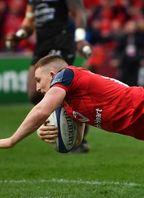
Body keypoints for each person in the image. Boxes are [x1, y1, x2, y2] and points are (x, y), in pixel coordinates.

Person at [0, 55, 144, 150]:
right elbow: (74, 141)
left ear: (53, 74)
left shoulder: (67, 74)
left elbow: (40, 109)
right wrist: (53, 131)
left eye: (39, 80)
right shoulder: (70, 105)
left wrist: (12, 140)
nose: (37, 87)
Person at [5, 0, 92, 152]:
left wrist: (79, 39)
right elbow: (29, 22)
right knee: (34, 94)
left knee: (64, 89)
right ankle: (61, 125)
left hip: (61, 43)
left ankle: (79, 137)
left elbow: (79, 12)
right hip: (42, 45)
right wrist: (18, 36)